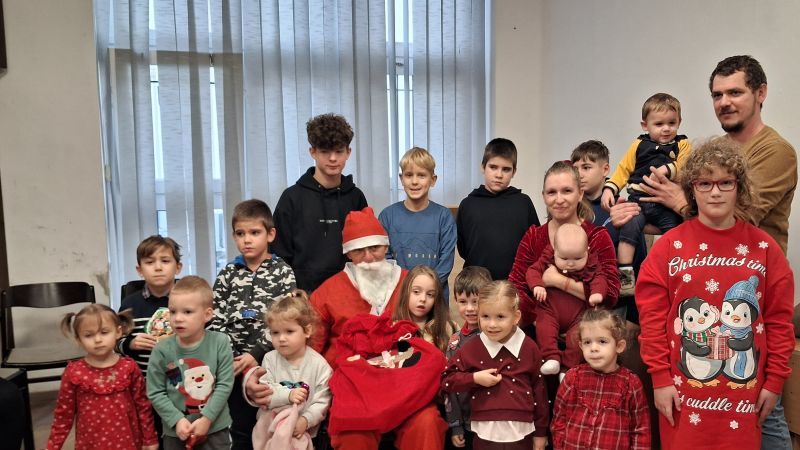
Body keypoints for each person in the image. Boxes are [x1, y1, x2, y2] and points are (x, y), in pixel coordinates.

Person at [611, 55, 797, 449]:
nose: (725, 102)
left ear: (760, 93)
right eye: (717, 94)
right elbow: (673, 206)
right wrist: (634, 212)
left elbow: (738, 214)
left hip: (751, 305)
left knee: (766, 417)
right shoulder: (711, 151)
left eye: (735, 92)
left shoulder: (775, 151)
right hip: (698, 315)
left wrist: (678, 200)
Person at [635, 138, 794, 449]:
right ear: (692, 189)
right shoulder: (668, 248)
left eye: (725, 182)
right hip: (683, 397)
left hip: (744, 399)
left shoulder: (765, 249)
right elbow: (652, 322)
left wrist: (775, 382)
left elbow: (779, 322)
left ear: (739, 187)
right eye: (705, 183)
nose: (715, 192)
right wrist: (660, 379)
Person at [246, 206, 447, 450]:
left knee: (427, 423)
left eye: (375, 248)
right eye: (359, 250)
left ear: (386, 246)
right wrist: (262, 375)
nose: (369, 258)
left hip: (404, 384)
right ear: (348, 253)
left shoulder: (411, 284)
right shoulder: (328, 292)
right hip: (354, 389)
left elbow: (436, 331)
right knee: (352, 432)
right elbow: (302, 347)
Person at [209, 198, 296, 449]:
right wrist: (232, 357)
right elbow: (215, 317)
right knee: (239, 427)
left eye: (254, 233)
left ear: (270, 234)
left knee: (268, 426)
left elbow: (286, 318)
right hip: (232, 365)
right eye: (240, 233)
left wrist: (255, 354)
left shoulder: (283, 272)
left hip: (269, 362)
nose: (247, 240)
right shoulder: (227, 273)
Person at [508, 160, 620, 329]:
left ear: (580, 194)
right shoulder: (533, 237)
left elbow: (610, 295)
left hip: (587, 334)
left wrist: (559, 281)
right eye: (552, 192)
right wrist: (539, 319)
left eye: (567, 191)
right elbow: (516, 288)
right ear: (544, 196)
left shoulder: (597, 237)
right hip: (539, 331)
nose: (559, 199)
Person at [601, 93, 691, 296]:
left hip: (666, 205)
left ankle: (677, 275)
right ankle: (625, 275)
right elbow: (623, 170)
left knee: (676, 234)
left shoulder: (682, 144)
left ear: (679, 122)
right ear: (645, 125)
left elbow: (685, 164)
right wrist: (610, 188)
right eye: (659, 124)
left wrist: (667, 170)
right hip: (639, 202)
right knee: (629, 229)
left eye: (671, 123)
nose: (666, 128)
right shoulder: (638, 145)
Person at [442, 281, 549, 450]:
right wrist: (474, 378)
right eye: (485, 316)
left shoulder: (529, 347)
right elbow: (447, 380)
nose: (492, 324)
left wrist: (541, 433)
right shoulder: (471, 348)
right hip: (484, 435)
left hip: (522, 434)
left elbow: (540, 390)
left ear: (516, 317)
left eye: (500, 317)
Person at [272, 113, 368, 293]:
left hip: (348, 293)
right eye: (325, 151)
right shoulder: (291, 198)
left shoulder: (356, 198)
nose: (332, 158)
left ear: (348, 152)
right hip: (302, 296)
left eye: (339, 151)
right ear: (313, 152)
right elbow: (279, 254)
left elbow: (363, 251)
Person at [47, 304, 157, 450]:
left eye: (104, 332)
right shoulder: (74, 372)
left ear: (118, 332)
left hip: (127, 443)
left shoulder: (129, 368)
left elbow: (143, 406)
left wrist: (150, 439)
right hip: (90, 444)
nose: (98, 339)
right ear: (79, 340)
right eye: (88, 335)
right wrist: (53, 446)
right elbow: (63, 415)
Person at [148, 276, 235, 450]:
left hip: (215, 429)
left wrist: (207, 418)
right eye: (173, 311)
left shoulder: (220, 342)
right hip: (176, 432)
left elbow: (224, 385)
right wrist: (176, 420)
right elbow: (155, 392)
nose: (178, 318)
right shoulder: (161, 350)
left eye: (187, 312)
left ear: (207, 315)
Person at [116, 235, 183, 445]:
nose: (158, 267)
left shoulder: (189, 299)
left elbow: (206, 333)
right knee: (149, 435)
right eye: (149, 262)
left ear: (178, 267)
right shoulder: (129, 304)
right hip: (144, 387)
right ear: (139, 270)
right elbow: (116, 342)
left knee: (181, 433)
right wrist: (130, 343)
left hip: (183, 383)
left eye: (165, 261)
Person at [551, 309, 650, 450]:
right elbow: (559, 420)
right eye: (587, 342)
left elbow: (641, 430)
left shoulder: (631, 383)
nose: (593, 348)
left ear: (619, 346)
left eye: (602, 341)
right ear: (581, 345)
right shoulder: (572, 378)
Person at [244, 290, 332, 449]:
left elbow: (322, 401)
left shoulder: (320, 365)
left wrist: (305, 420)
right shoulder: (269, 359)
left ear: (307, 331)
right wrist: (288, 395)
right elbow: (265, 392)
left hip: (303, 432)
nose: (281, 338)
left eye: (289, 331)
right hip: (271, 431)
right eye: (275, 333)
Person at [571, 140, 647, 322]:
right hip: (579, 301)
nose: (579, 174)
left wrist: (634, 319)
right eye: (576, 169)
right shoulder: (572, 209)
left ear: (605, 169)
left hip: (617, 305)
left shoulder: (622, 208)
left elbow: (638, 263)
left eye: (586, 167)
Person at [526, 223, 606, 376]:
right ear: (554, 251)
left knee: (577, 338)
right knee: (544, 329)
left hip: (578, 315)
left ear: (587, 251)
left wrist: (597, 293)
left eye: (578, 258)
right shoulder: (547, 259)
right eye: (564, 258)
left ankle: (568, 369)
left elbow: (600, 278)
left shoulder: (591, 263)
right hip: (549, 309)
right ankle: (551, 358)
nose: (570, 263)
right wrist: (537, 285)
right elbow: (532, 271)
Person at [379, 147, 456, 300]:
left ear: (433, 180)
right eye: (409, 175)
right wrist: (407, 291)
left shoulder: (444, 216)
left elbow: (446, 262)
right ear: (401, 178)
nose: (414, 181)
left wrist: (424, 292)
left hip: (435, 299)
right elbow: (384, 261)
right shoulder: (387, 216)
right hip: (398, 298)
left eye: (421, 175)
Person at [457, 138, 539, 280]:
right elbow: (463, 248)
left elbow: (535, 242)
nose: (499, 175)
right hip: (477, 283)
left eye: (506, 169)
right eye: (493, 167)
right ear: (483, 167)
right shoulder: (467, 205)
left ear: (514, 172)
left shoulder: (523, 203)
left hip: (515, 283)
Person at [444, 266, 493, 449]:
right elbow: (449, 384)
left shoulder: (497, 336)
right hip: (467, 424)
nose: (470, 308)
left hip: (495, 423)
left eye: (476, 302)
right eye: (463, 302)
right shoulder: (455, 342)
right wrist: (455, 425)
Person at [391, 264, 457, 353]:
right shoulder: (393, 327)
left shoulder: (448, 327)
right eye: (416, 292)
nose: (423, 299)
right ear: (405, 293)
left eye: (430, 294)